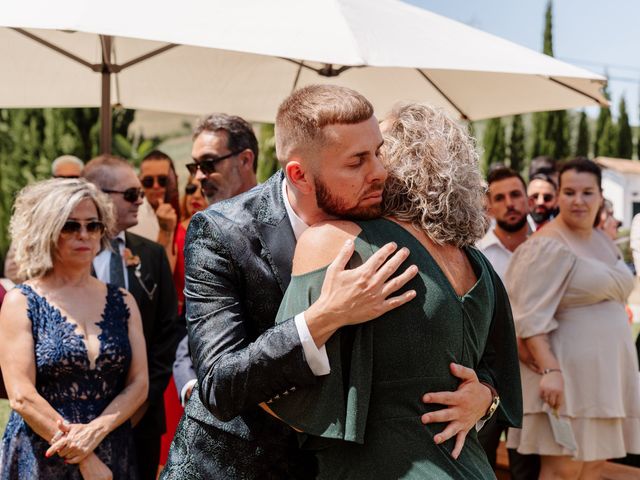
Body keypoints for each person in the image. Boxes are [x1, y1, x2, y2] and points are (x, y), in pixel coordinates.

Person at [161, 86, 494, 479]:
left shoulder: (380, 221)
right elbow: (218, 386)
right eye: (357, 162)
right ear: (299, 174)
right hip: (231, 467)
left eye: (379, 152)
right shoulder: (222, 232)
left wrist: (484, 397)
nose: (381, 173)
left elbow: (457, 340)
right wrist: (325, 316)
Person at [267, 103, 521, 479]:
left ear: (394, 166)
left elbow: (279, 393)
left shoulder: (336, 243)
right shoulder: (479, 266)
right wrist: (486, 398)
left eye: (375, 152)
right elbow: (499, 380)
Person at [0, 178, 148, 479]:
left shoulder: (124, 301)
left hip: (112, 448)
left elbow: (139, 383)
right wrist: (84, 457)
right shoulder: (21, 301)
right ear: (48, 231)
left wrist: (96, 430)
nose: (84, 234)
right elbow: (21, 396)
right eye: (70, 226)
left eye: (92, 226)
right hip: (44, 453)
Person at [506, 158, 640, 479]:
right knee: (563, 470)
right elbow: (526, 316)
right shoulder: (546, 244)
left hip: (607, 377)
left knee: (594, 465)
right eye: (569, 192)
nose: (578, 200)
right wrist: (550, 369)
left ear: (599, 196)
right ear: (559, 195)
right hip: (567, 378)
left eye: (587, 192)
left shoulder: (602, 239)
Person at [83, 156, 181, 480]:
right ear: (97, 195)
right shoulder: (71, 255)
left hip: (142, 419)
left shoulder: (151, 254)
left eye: (140, 192)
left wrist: (140, 401)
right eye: (131, 194)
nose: (142, 200)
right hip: (80, 415)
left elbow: (168, 332)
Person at [172, 113, 259, 406]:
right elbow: (195, 324)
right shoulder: (204, 226)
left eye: (208, 164)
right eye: (194, 166)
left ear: (245, 160)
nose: (198, 177)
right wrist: (189, 385)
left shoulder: (282, 224)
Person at [477, 167, 540, 479]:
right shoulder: (475, 253)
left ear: (527, 200)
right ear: (488, 205)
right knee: (482, 463)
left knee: (528, 469)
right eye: (499, 197)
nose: (509, 203)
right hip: (489, 378)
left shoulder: (548, 248)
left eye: (516, 195)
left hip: (536, 377)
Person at [4, 155, 85, 283]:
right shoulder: (37, 211)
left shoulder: (95, 210)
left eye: (73, 178)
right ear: (53, 179)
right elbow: (13, 269)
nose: (68, 183)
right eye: (62, 178)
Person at [129, 150, 179, 271]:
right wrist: (165, 232)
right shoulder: (135, 218)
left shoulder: (183, 208)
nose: (156, 186)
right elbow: (149, 271)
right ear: (140, 182)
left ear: (174, 180)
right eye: (148, 181)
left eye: (163, 180)